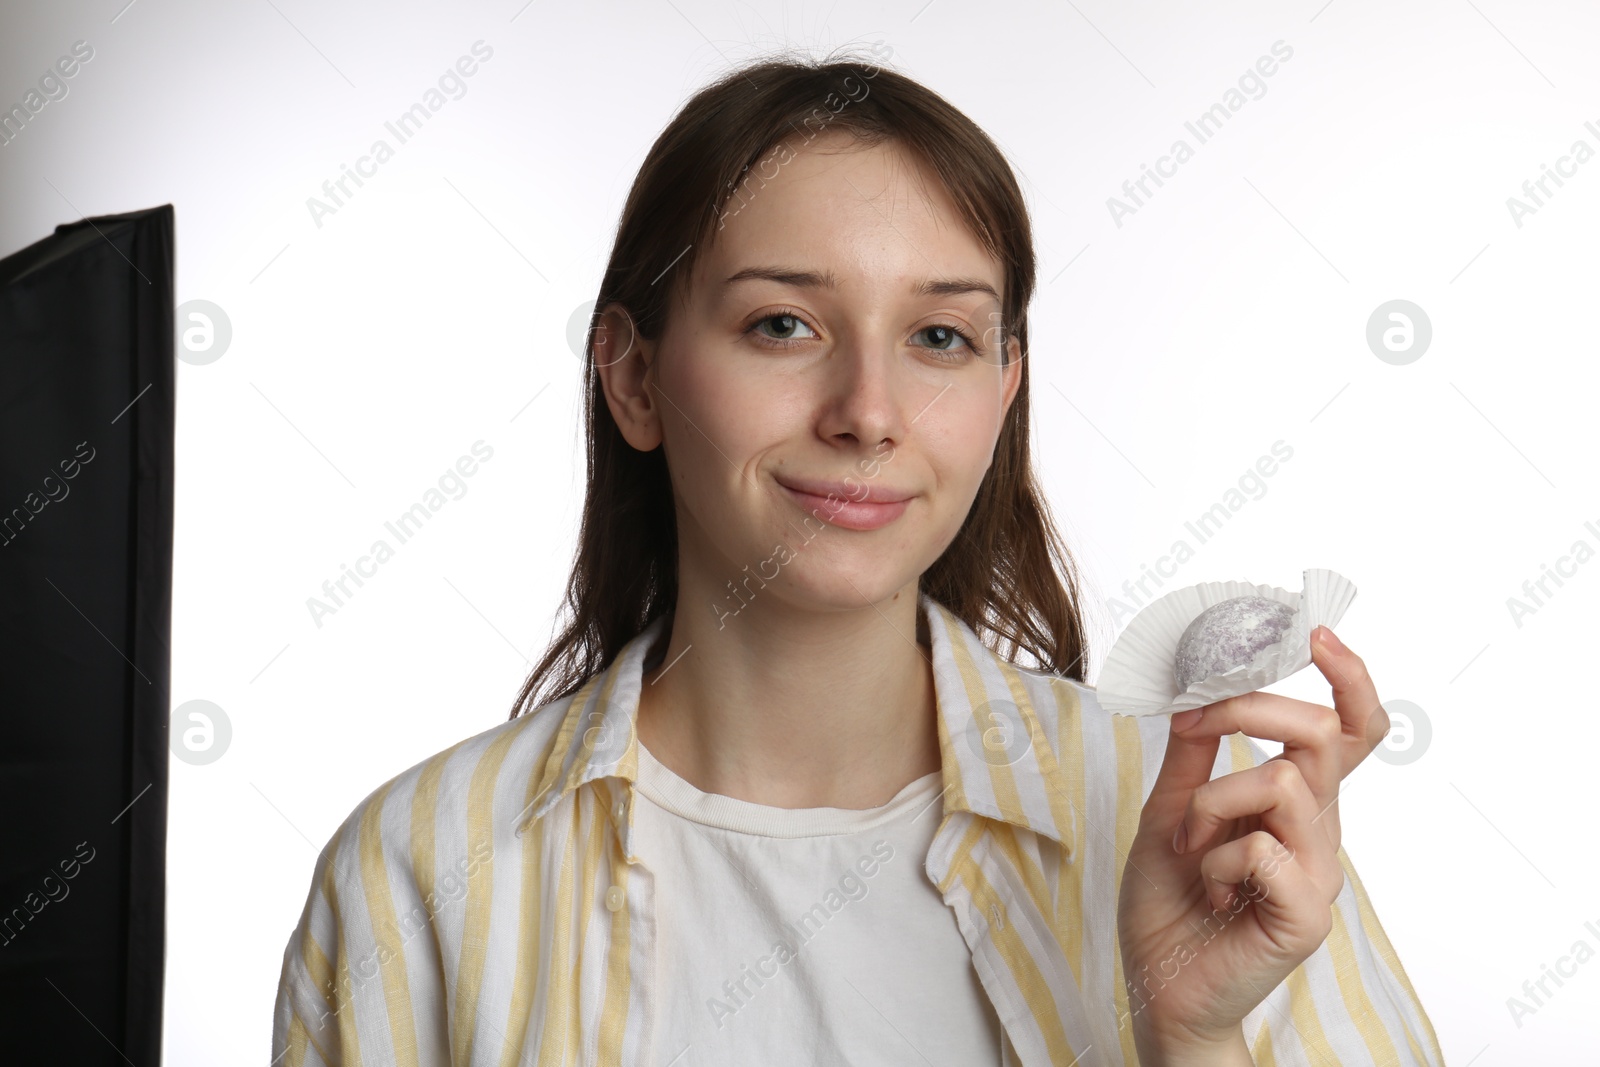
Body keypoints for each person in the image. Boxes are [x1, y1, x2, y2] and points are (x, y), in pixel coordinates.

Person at [271, 48, 1444, 1067]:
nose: (868, 411)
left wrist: (1191, 1038)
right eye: (784, 323)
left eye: (940, 336)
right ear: (632, 374)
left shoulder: (1198, 816)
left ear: (1003, 390)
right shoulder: (420, 868)